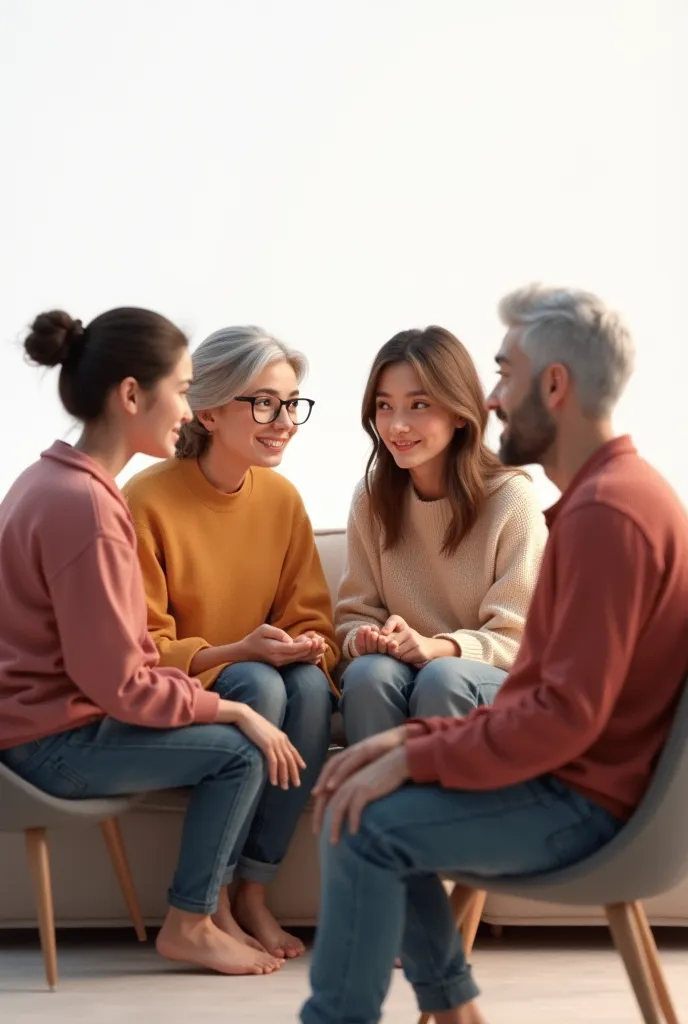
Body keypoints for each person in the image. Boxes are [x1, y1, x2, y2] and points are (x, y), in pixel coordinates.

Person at [300, 285, 688, 1024]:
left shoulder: (608, 515)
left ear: (554, 385)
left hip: (591, 806)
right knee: (366, 795)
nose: (495, 398)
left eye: (504, 375)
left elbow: (559, 718)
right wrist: (411, 742)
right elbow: (544, 700)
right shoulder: (609, 500)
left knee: (359, 818)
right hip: (587, 785)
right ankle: (455, 1015)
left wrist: (409, 756)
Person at [0, 307, 310, 978]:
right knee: (239, 754)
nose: (186, 406)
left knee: (245, 727)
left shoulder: (55, 482)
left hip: (41, 725)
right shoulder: (86, 508)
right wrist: (232, 708)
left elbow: (119, 663)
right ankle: (191, 921)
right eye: (181, 388)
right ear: (132, 395)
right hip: (48, 743)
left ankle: (207, 912)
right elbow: (117, 682)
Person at [122, 325, 338, 960]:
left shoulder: (281, 500)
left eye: (292, 403)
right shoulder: (146, 499)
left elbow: (314, 620)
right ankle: (208, 900)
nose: (284, 421)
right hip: (194, 691)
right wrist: (238, 652)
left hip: (261, 675)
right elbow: (141, 645)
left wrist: (304, 645)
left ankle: (253, 894)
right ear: (209, 410)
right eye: (264, 402)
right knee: (259, 681)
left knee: (306, 686)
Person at [336, 326, 547, 746]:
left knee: (441, 678)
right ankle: (374, 809)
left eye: (418, 405)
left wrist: (441, 648)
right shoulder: (371, 499)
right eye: (384, 406)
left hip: (490, 681)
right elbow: (354, 614)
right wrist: (366, 637)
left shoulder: (511, 499)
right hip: (411, 667)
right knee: (366, 674)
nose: (396, 425)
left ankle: (443, 809)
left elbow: (519, 638)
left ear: (458, 411)